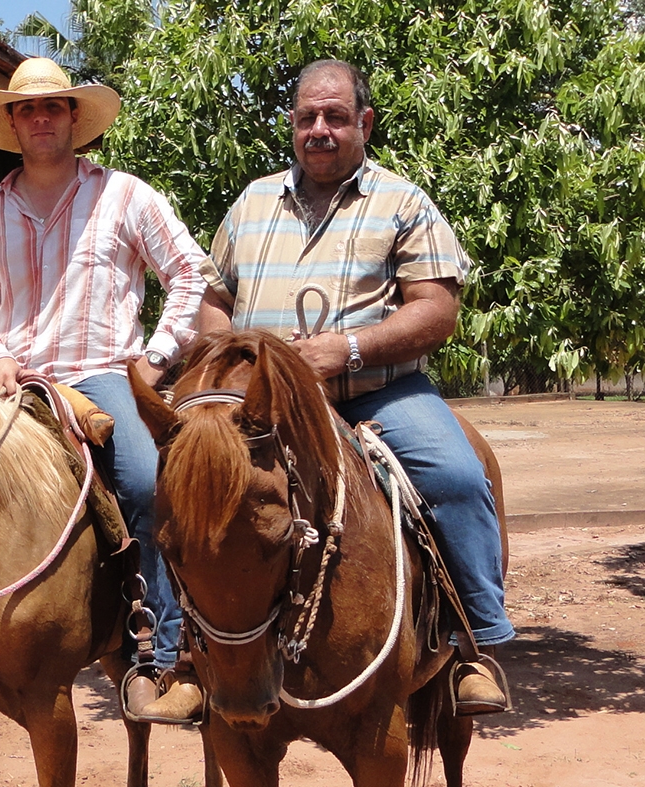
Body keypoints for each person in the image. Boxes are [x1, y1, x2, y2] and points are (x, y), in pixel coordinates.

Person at [197, 59, 514, 714]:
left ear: (363, 123)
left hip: (378, 396)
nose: (320, 129)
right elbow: (214, 301)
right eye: (308, 116)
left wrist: (347, 349)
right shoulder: (252, 203)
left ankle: (473, 645)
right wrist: (233, 361)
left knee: (455, 476)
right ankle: (177, 653)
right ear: (291, 124)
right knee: (182, 485)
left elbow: (436, 308)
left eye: (335, 116)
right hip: (265, 408)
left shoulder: (402, 202)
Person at [0, 57, 205, 722]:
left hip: (100, 376)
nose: (41, 118)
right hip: (7, 380)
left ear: (74, 119)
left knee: (147, 482)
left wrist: (155, 359)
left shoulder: (126, 197)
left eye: (53, 106)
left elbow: (191, 274)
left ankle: (161, 654)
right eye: (28, 109)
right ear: (12, 123)